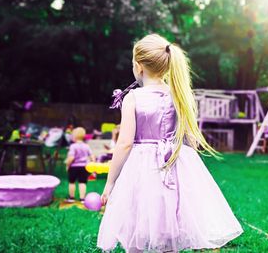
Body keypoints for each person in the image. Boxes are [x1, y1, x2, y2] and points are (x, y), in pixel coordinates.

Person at [97, 34, 244, 252]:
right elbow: (191, 139)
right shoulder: (180, 95)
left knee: (139, 220)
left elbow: (125, 143)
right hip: (175, 163)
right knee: (170, 221)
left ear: (138, 66)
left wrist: (110, 182)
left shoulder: (133, 97)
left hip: (142, 167)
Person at [65, 127, 95, 203]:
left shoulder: (73, 146)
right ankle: (82, 199)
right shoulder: (86, 146)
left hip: (74, 167)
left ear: (74, 136)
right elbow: (92, 156)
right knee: (82, 182)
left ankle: (71, 198)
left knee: (72, 182)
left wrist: (67, 165)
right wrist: (93, 163)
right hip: (84, 167)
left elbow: (71, 158)